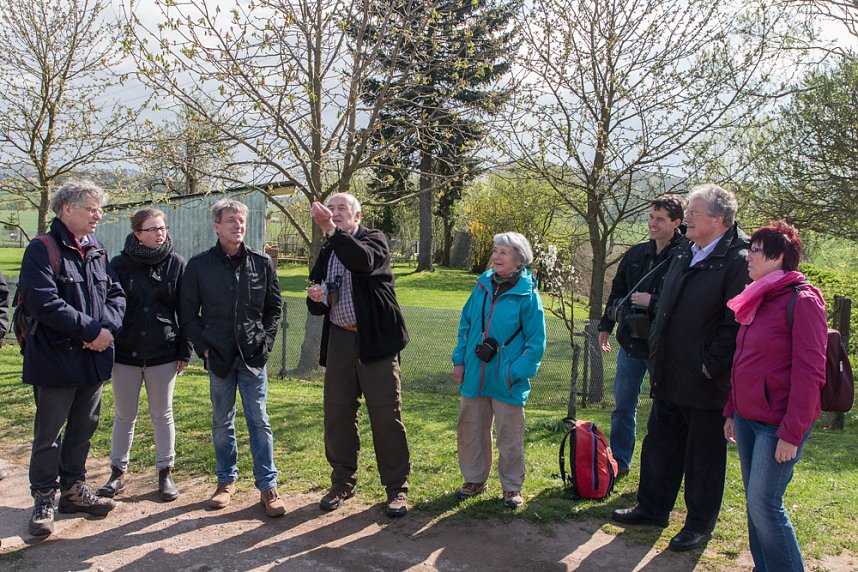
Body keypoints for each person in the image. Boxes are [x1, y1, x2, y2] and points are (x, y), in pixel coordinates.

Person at [612, 184, 750, 552]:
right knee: (661, 441)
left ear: (719, 219)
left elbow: (734, 323)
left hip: (705, 380)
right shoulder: (684, 252)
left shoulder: (737, 259)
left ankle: (699, 524)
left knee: (703, 455)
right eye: (687, 211)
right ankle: (652, 507)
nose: (686, 217)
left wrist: (708, 366)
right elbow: (667, 308)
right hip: (669, 370)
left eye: (694, 212)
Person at [20, 180, 126, 537]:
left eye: (99, 209)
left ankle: (73, 490)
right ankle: (44, 497)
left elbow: (115, 293)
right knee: (49, 434)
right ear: (67, 209)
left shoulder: (96, 248)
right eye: (91, 209)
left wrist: (106, 329)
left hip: (92, 361)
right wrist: (91, 332)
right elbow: (43, 302)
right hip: (55, 361)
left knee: (84, 428)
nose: (98, 216)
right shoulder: (42, 249)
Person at [724, 221, 826, 571]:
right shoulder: (758, 296)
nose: (747, 255)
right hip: (748, 418)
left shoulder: (803, 301)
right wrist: (731, 409)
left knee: (765, 504)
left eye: (755, 249)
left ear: (778, 257)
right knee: (755, 506)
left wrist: (792, 433)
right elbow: (742, 360)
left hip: (778, 425)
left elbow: (810, 373)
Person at [306, 193, 411, 517]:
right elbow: (316, 300)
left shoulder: (373, 240)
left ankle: (396, 489)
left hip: (375, 342)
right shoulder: (327, 248)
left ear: (357, 215)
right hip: (339, 339)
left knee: (385, 417)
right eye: (331, 208)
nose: (335, 213)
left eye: (342, 209)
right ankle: (342, 482)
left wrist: (331, 231)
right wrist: (317, 297)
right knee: (337, 415)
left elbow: (363, 262)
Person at [179, 199, 285, 517]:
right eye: (230, 221)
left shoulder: (262, 263)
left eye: (241, 221)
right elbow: (187, 313)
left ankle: (268, 487)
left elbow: (273, 308)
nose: (237, 225)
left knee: (259, 422)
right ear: (216, 226)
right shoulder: (198, 266)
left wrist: (264, 345)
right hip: (220, 358)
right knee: (222, 423)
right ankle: (226, 482)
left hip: (253, 359)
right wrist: (204, 347)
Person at [97, 209, 192, 502]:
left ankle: (165, 472)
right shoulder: (119, 264)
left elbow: (185, 312)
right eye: (152, 229)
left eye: (162, 228)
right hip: (125, 353)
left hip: (163, 351)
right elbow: (109, 306)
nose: (159, 233)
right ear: (137, 233)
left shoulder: (176, 263)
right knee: (125, 415)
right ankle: (118, 473)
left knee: (162, 415)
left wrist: (184, 351)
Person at [450, 232, 546, 509]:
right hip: (475, 372)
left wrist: (514, 372)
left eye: (504, 252)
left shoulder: (528, 294)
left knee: (510, 435)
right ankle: (474, 479)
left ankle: (512, 487)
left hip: (508, 379)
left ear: (518, 259)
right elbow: (465, 325)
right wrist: (460, 361)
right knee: (470, 429)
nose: (496, 256)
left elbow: (536, 342)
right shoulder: (481, 286)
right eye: (495, 250)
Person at [598, 196, 687, 476]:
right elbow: (617, 290)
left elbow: (687, 301)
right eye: (651, 217)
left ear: (676, 223)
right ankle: (620, 463)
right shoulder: (636, 253)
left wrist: (653, 301)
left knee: (665, 411)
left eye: (660, 219)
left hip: (664, 347)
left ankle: (660, 469)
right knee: (623, 407)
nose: (653, 223)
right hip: (630, 343)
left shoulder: (686, 254)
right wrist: (605, 327)